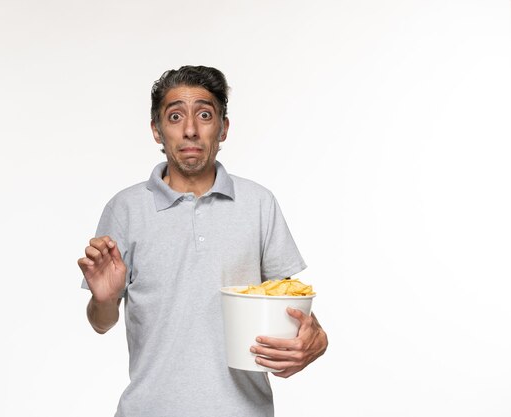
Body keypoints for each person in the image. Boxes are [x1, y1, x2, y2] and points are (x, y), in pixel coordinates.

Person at [78, 65, 328, 417]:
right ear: (156, 130)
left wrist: (316, 337)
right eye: (175, 116)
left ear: (223, 128)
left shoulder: (258, 203)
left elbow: (290, 308)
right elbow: (101, 322)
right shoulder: (125, 208)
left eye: (205, 115)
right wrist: (104, 300)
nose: (191, 130)